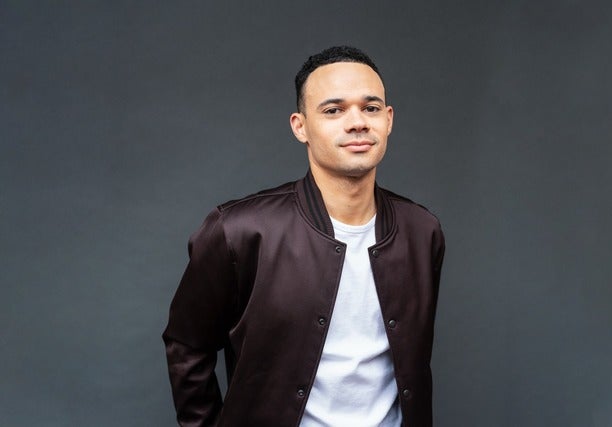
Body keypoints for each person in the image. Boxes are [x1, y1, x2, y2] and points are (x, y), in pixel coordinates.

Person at [163, 46, 445, 427]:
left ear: (389, 119)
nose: (357, 122)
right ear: (300, 126)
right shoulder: (240, 231)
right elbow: (186, 345)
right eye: (333, 110)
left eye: (371, 108)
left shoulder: (421, 232)